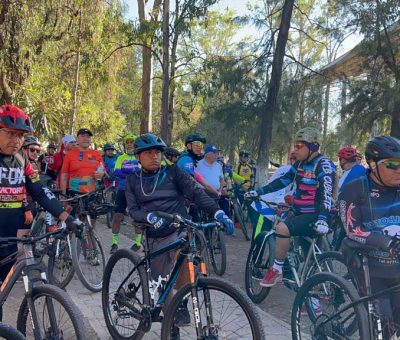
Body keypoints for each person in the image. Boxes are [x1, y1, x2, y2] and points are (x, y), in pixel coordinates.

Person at [125, 133, 233, 322]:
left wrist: (219, 213)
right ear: (138, 156)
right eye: (149, 153)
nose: (155, 156)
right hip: (153, 236)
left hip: (178, 229)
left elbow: (196, 192)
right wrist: (148, 216)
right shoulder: (133, 180)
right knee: (163, 290)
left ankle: (181, 299)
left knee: (183, 257)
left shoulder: (173, 172)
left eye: (158, 152)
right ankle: (171, 326)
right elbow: (133, 210)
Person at [245, 127, 336, 287]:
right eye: (295, 145)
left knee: (282, 229)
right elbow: (283, 180)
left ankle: (277, 270)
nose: (296, 149)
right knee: (308, 258)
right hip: (300, 213)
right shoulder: (300, 164)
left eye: (300, 146)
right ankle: (311, 301)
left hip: (316, 215)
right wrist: (258, 192)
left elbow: (327, 194)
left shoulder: (324, 164)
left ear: (313, 146)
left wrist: (322, 219)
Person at [0, 104, 79, 283]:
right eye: (10, 133)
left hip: (11, 237)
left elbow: (40, 191)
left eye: (20, 135)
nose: (16, 140)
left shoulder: (21, 159)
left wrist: (67, 218)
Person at [339, 135, 400, 331]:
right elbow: (351, 229)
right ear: (373, 164)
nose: (399, 170)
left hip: (397, 268)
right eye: (392, 164)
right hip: (370, 267)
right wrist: (384, 242)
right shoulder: (354, 189)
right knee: (385, 325)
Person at [59, 128, 105, 229]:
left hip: (92, 193)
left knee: (92, 220)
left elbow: (102, 170)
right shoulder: (70, 154)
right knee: (74, 223)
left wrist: (102, 174)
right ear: (77, 139)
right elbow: (64, 174)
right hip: (75, 194)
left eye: (88, 136)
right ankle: (70, 243)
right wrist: (63, 195)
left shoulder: (96, 154)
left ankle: (88, 242)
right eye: (83, 136)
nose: (86, 138)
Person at [109, 134, 140, 254]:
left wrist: (126, 171)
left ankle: (137, 243)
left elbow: (141, 171)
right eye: (128, 142)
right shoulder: (121, 158)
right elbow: (117, 172)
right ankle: (114, 243)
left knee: (136, 218)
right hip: (122, 189)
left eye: (132, 142)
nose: (130, 144)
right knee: (117, 217)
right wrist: (132, 172)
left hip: (135, 191)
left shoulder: (139, 157)